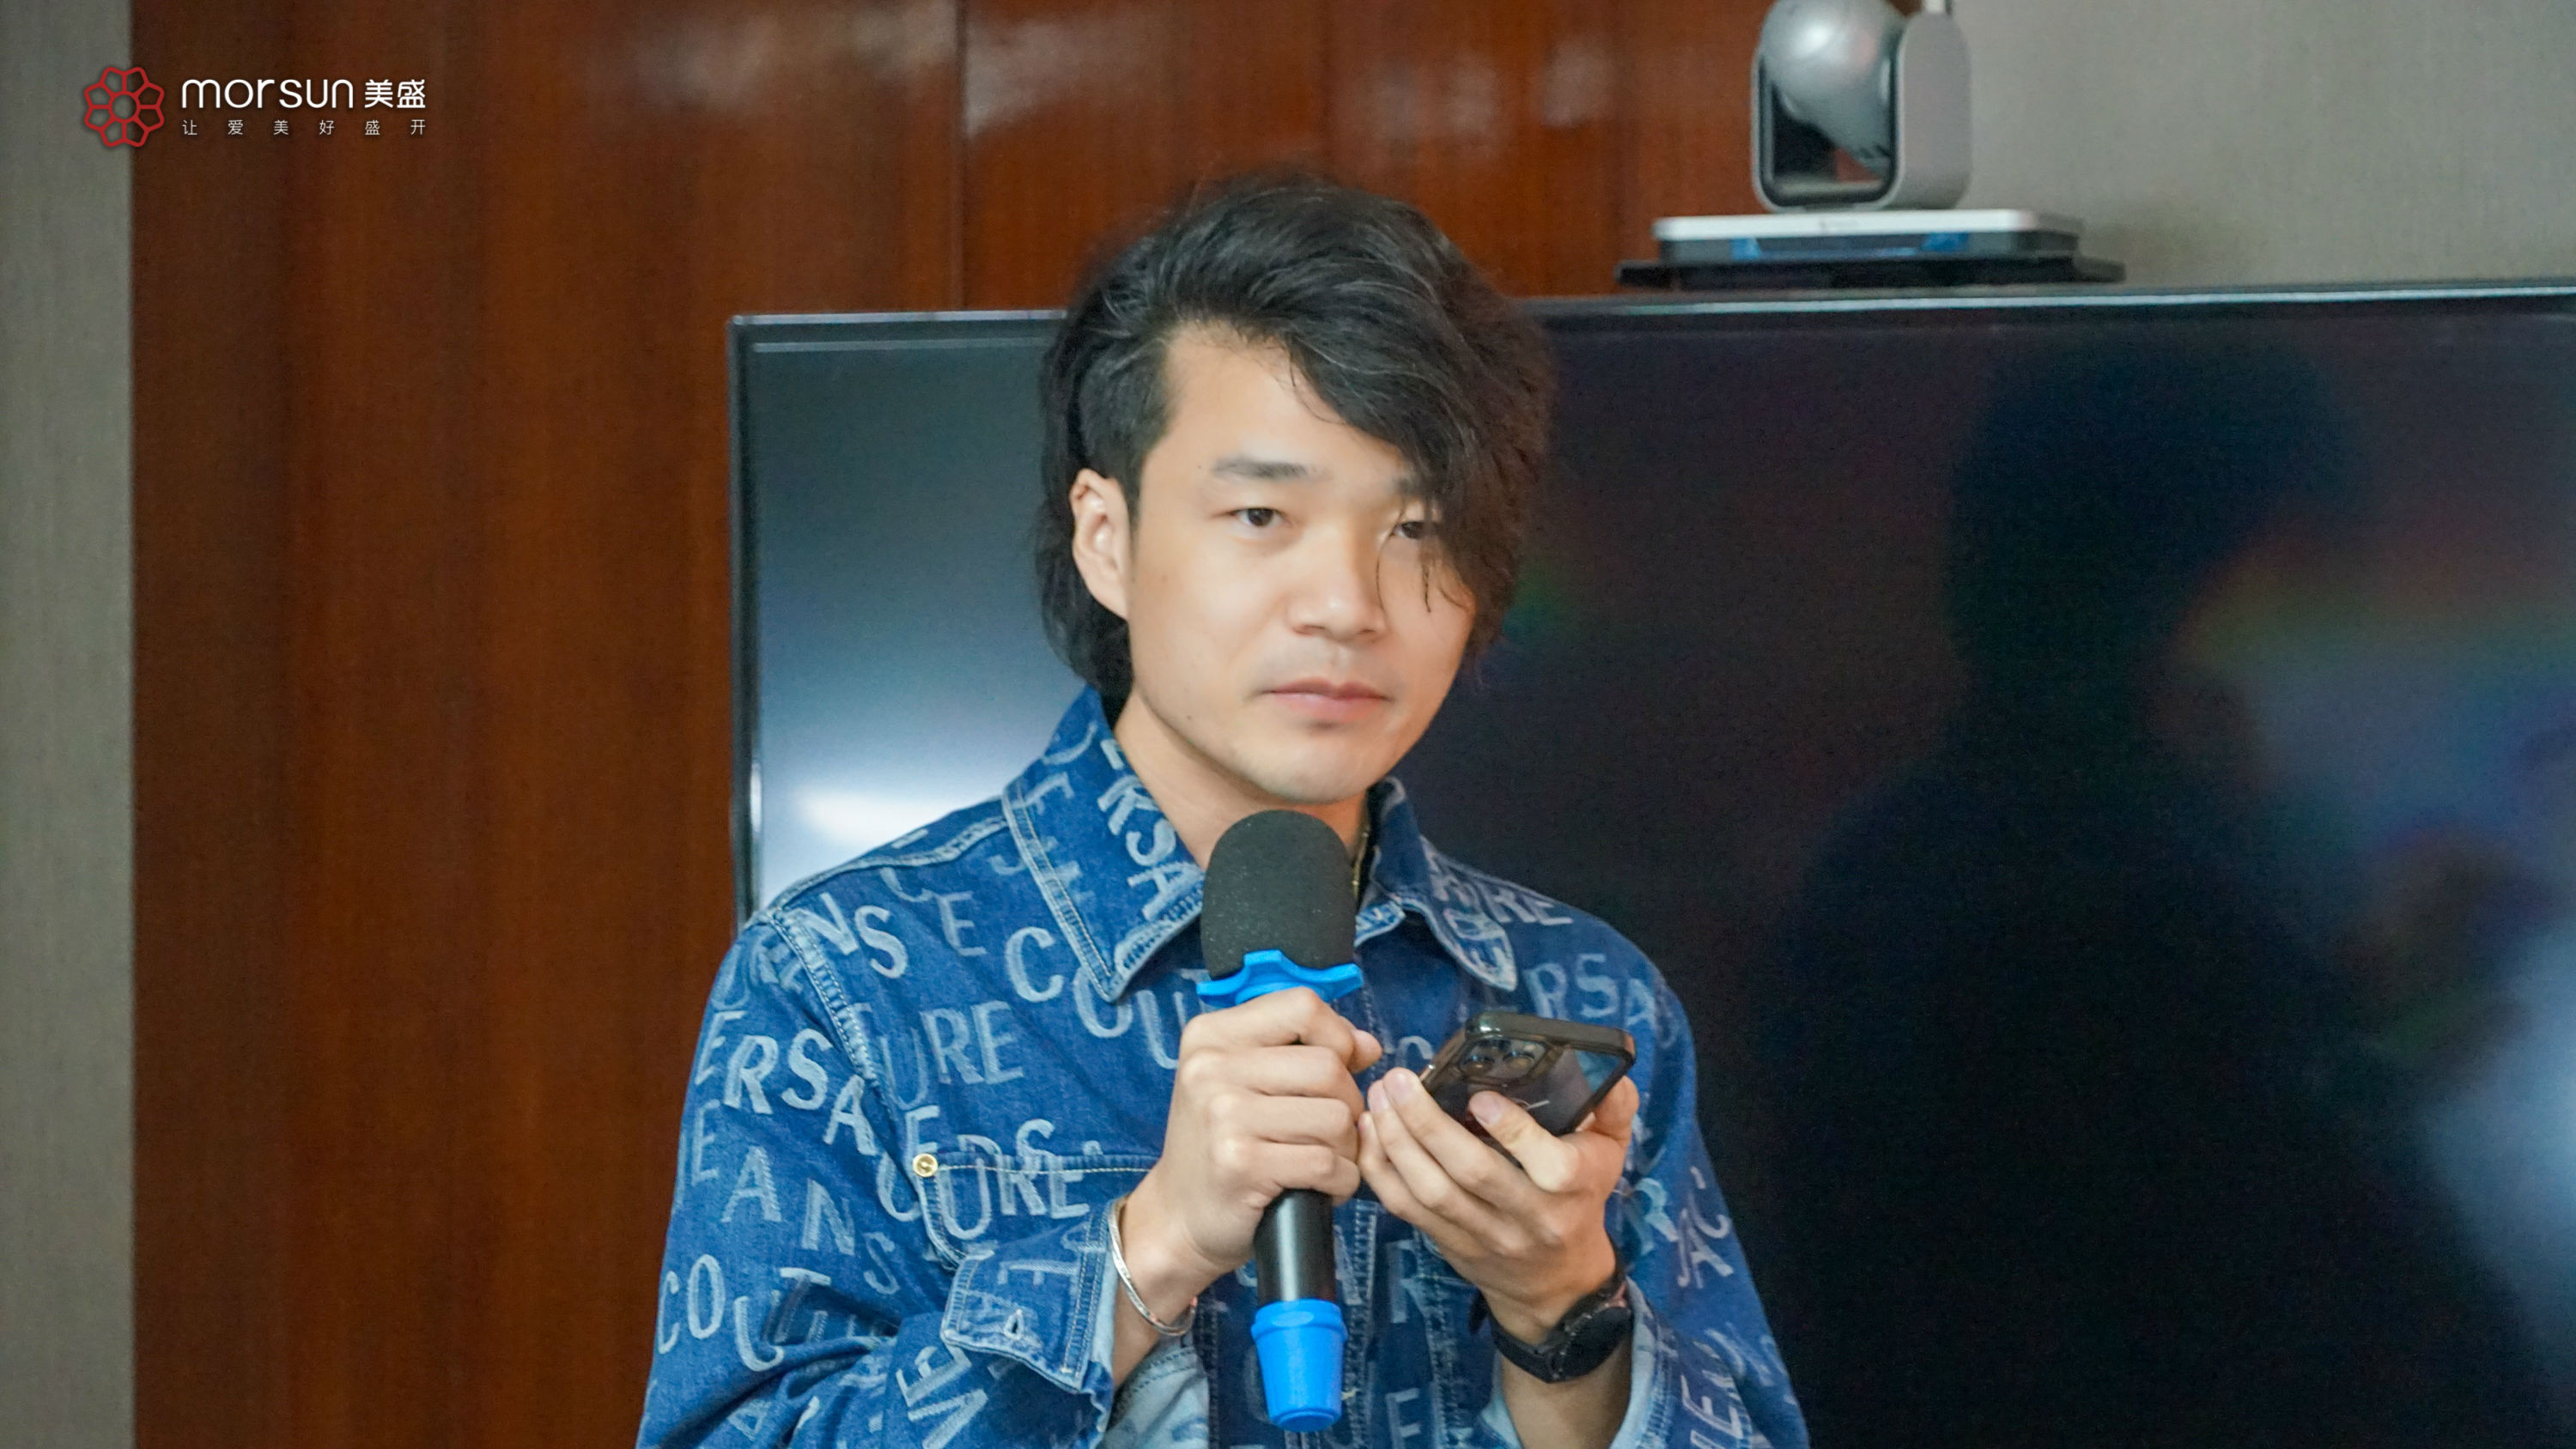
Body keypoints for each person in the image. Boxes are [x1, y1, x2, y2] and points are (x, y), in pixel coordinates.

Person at [635, 173, 1804, 1449]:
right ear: (1108, 538)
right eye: (1261, 514)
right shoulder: (845, 979)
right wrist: (1148, 1250)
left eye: (1418, 528)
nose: (1347, 604)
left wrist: (1561, 1308)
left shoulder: (1584, 993)